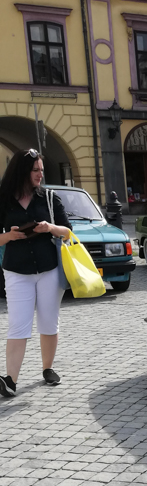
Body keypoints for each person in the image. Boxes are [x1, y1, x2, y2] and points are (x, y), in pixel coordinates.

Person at [0, 149, 71, 398]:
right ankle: (10, 380)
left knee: (49, 321)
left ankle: (47, 368)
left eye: (41, 170)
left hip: (49, 269)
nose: (40, 174)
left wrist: (49, 227)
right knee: (18, 324)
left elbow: (67, 231)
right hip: (17, 271)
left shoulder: (49, 197)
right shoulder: (3, 198)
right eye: (35, 170)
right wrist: (9, 236)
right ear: (22, 171)